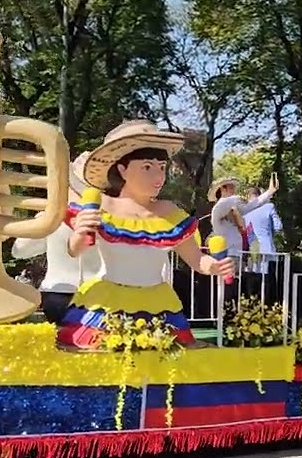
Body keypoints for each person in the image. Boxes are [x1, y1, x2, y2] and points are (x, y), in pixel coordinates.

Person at [59, 120, 235, 350]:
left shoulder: (170, 212)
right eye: (147, 167)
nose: (158, 176)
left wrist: (214, 266)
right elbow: (74, 250)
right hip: (107, 305)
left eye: (161, 167)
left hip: (159, 307)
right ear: (122, 169)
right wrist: (82, 232)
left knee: (167, 365)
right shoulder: (101, 205)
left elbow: (196, 259)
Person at [12, 153, 105, 324]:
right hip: (59, 293)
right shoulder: (53, 218)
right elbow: (19, 250)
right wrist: (40, 222)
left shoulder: (111, 219)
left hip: (99, 294)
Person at [243, 185, 284, 305]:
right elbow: (278, 227)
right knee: (268, 281)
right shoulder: (269, 207)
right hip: (267, 249)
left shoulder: (244, 212)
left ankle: (251, 308)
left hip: (251, 251)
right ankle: (268, 308)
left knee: (252, 280)